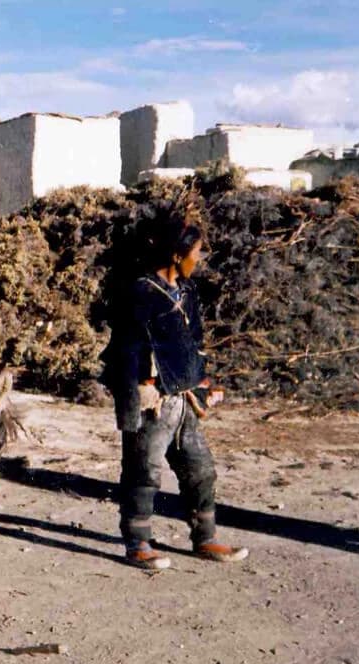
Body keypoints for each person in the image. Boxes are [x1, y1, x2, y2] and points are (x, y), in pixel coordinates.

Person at [100, 214, 249, 570]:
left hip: (185, 401)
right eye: (195, 252)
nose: (198, 260)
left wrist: (204, 382)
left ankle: (205, 539)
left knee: (201, 469)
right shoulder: (140, 293)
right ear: (175, 254)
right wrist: (137, 391)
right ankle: (137, 543)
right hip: (154, 402)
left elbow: (194, 344)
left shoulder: (188, 292)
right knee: (144, 471)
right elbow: (126, 350)